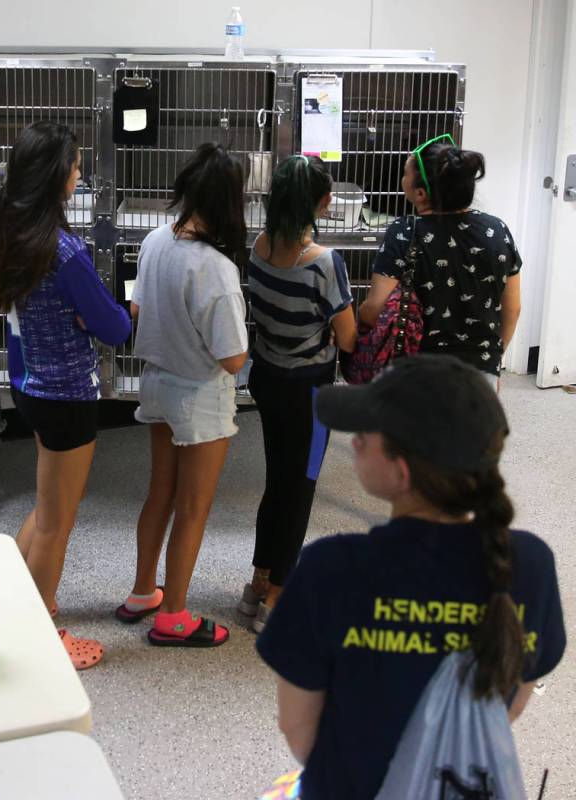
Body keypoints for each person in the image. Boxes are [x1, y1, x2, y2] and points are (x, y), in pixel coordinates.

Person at [256, 355, 566, 799]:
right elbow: (510, 703)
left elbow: (298, 728)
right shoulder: (531, 566)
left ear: (402, 472)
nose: (355, 443)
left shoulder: (330, 569)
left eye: (364, 435)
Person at [0, 121, 131, 669]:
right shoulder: (65, 251)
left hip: (28, 384)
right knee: (57, 521)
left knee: (47, 509)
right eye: (74, 166)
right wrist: (121, 312)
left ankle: (19, 604)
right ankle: (45, 630)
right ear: (54, 176)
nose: (79, 174)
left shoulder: (10, 231)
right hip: (68, 394)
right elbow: (113, 329)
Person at [116, 143, 249, 648]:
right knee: (193, 508)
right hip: (200, 397)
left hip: (156, 385)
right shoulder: (216, 268)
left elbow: (137, 306)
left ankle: (142, 591)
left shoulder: (154, 240)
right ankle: (174, 615)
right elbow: (233, 358)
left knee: (160, 495)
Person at [240, 155, 357, 633]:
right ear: (315, 203)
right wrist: (330, 332)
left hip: (266, 378)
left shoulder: (259, 246)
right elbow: (347, 337)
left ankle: (257, 580)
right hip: (309, 390)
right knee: (301, 488)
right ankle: (278, 596)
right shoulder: (324, 263)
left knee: (276, 483)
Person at [358, 135, 522, 388]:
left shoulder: (404, 231)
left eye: (404, 174)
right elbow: (513, 307)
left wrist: (358, 317)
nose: (401, 180)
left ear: (420, 194)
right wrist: (493, 360)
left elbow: (375, 308)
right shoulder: (498, 229)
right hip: (480, 371)